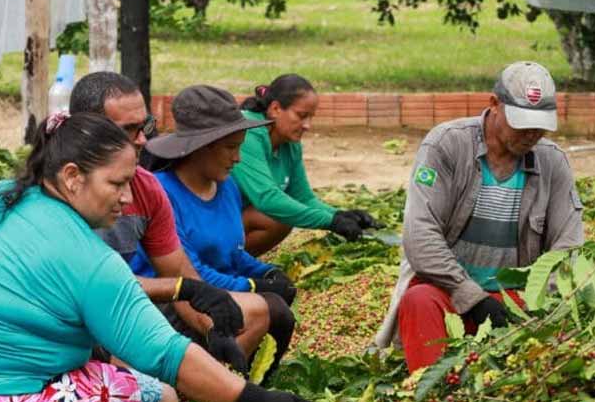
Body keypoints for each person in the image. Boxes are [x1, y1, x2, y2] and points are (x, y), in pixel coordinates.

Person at [0, 113, 314, 402]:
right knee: (156, 398)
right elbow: (164, 352)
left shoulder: (7, 197)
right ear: (72, 176)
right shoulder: (89, 259)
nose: (127, 198)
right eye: (117, 184)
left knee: (102, 365)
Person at [374, 62, 584, 372]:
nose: (531, 134)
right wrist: (471, 296)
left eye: (539, 126)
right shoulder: (446, 145)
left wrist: (538, 301)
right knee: (419, 300)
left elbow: (569, 246)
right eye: (522, 123)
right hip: (449, 292)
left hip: (515, 300)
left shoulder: (552, 162)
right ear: (494, 104)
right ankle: (431, 390)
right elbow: (420, 237)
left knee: (559, 335)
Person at [69, 72, 269, 372]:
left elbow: (178, 271)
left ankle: (204, 383)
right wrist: (183, 289)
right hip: (69, 324)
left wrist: (213, 326)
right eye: (129, 130)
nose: (142, 139)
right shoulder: (55, 193)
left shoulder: (148, 186)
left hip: (131, 309)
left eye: (145, 126)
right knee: (151, 387)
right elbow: (89, 288)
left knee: (255, 312)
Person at [146, 85, 298, 379]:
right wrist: (251, 286)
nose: (238, 158)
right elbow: (190, 273)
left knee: (280, 310)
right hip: (173, 303)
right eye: (230, 148)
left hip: (215, 295)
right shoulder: (162, 193)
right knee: (270, 309)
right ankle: (210, 384)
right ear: (201, 147)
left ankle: (247, 380)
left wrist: (266, 272)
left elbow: (233, 253)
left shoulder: (227, 187)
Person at [232, 74, 380, 256]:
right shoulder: (247, 134)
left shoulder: (289, 143)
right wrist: (330, 222)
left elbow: (303, 198)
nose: (307, 125)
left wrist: (342, 215)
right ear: (275, 109)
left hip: (233, 219)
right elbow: (267, 199)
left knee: (284, 213)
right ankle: (220, 265)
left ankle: (234, 264)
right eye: (301, 116)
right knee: (278, 217)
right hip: (206, 222)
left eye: (311, 117)